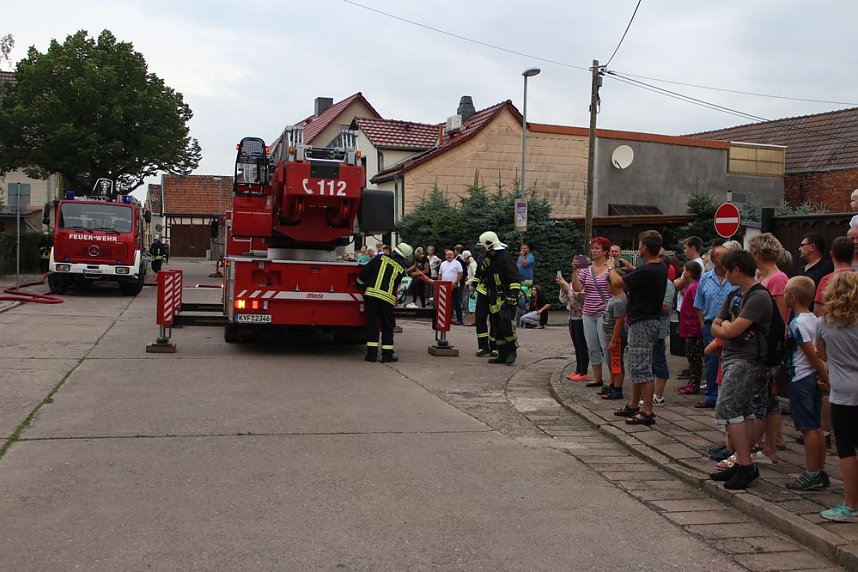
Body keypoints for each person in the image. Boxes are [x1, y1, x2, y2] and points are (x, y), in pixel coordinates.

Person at [709, 249, 773, 490]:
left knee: (728, 408)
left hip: (747, 360)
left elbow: (732, 330)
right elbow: (719, 325)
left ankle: (745, 465)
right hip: (732, 357)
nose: (725, 275)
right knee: (742, 410)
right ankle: (742, 463)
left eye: (727, 270)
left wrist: (726, 328)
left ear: (737, 269)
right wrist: (727, 327)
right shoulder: (735, 295)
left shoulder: (758, 297)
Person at [816, 272, 858, 522]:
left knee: (846, 448)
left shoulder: (824, 324)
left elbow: (821, 354)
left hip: (842, 392)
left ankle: (851, 503)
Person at [613, 230, 667, 426]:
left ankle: (647, 412)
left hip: (642, 322)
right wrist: (629, 268)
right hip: (649, 320)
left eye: (640, 244)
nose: (638, 247)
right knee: (637, 365)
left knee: (642, 367)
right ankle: (634, 404)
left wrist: (611, 267)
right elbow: (639, 275)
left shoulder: (648, 271)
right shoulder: (659, 267)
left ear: (644, 248)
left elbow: (619, 282)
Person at [783, 276, 830, 491]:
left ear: (792, 297)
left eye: (785, 293)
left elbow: (812, 355)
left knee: (807, 428)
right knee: (816, 426)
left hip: (801, 377)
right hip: (811, 378)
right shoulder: (815, 319)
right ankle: (819, 470)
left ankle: (812, 472)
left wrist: (826, 376)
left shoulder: (797, 324)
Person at [748, 233, 788, 463]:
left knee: (763, 400)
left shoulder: (777, 279)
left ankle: (764, 446)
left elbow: (779, 319)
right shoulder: (764, 278)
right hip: (761, 347)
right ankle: (769, 445)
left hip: (768, 351)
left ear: (759, 253)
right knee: (769, 401)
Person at [692, 245, 737, 408]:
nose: (725, 260)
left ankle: (728, 396)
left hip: (732, 325)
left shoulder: (735, 278)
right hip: (711, 325)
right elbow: (698, 303)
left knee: (730, 361)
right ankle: (711, 396)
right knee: (711, 362)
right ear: (713, 260)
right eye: (721, 257)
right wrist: (703, 325)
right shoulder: (706, 278)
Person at [355, 242, 412, 363]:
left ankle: (371, 356)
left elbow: (364, 275)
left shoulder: (379, 258)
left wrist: (359, 284)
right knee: (387, 327)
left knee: (372, 325)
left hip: (371, 297)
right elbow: (396, 286)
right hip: (387, 300)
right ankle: (387, 356)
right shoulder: (401, 269)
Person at [572, 237, 612, 387]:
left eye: (597, 248)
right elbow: (577, 288)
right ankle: (597, 378)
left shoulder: (610, 268)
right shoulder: (586, 270)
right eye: (593, 248)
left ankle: (613, 379)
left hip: (605, 313)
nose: (594, 251)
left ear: (605, 251)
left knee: (606, 347)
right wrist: (575, 271)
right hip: (588, 313)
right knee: (592, 346)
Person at [479, 231, 520, 365]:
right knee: (496, 327)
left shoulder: (505, 257)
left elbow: (514, 278)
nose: (482, 249)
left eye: (483, 246)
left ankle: (512, 351)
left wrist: (512, 298)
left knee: (505, 326)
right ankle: (502, 354)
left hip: (505, 297)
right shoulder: (491, 258)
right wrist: (483, 269)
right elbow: (486, 278)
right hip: (493, 297)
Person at [600, 269, 628, 400]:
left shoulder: (620, 301)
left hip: (615, 337)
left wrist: (614, 340)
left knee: (616, 362)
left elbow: (619, 323)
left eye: (607, 284)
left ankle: (618, 389)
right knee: (612, 362)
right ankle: (612, 385)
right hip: (609, 334)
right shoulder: (614, 298)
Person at [652, 256, 676, 405]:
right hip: (650, 329)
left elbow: (666, 307)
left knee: (659, 360)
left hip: (658, 330)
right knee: (651, 362)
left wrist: (646, 300)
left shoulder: (667, 284)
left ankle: (659, 395)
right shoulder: (654, 282)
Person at [677, 261, 704, 395]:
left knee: (694, 358)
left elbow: (697, 306)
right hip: (689, 327)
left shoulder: (694, 287)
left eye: (684, 271)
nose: (683, 274)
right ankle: (692, 383)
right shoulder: (692, 286)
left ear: (690, 272)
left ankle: (694, 384)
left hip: (693, 328)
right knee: (691, 357)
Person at [557, 272, 589, 381]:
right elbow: (563, 299)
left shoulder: (586, 283)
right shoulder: (571, 283)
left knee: (582, 345)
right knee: (576, 345)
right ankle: (578, 370)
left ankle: (583, 371)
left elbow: (579, 299)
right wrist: (563, 287)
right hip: (572, 317)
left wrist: (566, 286)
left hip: (582, 317)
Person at [814, 236, 855, 317]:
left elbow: (818, 311)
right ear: (853, 254)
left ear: (831, 253)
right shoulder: (856, 278)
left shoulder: (826, 280)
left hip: (832, 326)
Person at [470, 249, 496, 357]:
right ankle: (483, 347)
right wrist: (473, 287)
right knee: (480, 318)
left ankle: (494, 347)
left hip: (495, 292)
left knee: (494, 319)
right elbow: (477, 274)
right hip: (482, 291)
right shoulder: (481, 257)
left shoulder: (499, 257)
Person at [799, 233, 834, 308]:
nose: (799, 249)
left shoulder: (827, 267)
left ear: (812, 247)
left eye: (802, 245)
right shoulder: (802, 268)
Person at [438, 249, 464, 325]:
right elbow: (440, 274)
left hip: (455, 286)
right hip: (444, 287)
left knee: (457, 303)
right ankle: (447, 319)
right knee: (446, 304)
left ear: (453, 255)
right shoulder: (443, 263)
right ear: (445, 256)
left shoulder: (457, 263)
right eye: (448, 255)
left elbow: (460, 273)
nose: (449, 256)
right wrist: (439, 283)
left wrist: (456, 283)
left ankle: (460, 320)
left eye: (451, 254)